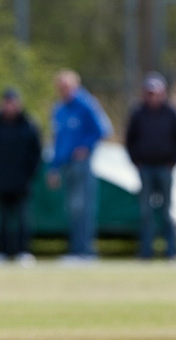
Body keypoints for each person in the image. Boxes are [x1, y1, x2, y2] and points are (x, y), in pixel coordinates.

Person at [47, 69, 112, 261]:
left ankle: (85, 251)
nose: (64, 90)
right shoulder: (59, 109)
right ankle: (75, 250)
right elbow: (57, 140)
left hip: (81, 164)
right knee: (72, 208)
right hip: (66, 166)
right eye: (61, 87)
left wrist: (85, 146)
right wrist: (53, 168)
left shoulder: (86, 104)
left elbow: (103, 129)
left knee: (83, 207)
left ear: (75, 86)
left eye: (67, 86)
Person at [125, 72, 176, 260]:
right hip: (146, 169)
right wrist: (137, 161)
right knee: (146, 212)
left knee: (166, 211)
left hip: (165, 168)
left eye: (156, 92)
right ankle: (146, 252)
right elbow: (130, 140)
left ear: (162, 93)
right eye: (149, 93)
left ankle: (171, 252)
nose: (153, 97)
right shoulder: (138, 113)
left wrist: (172, 162)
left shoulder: (172, 113)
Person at [0, 88, 42, 266]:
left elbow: (36, 152)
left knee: (24, 218)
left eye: (13, 102)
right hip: (1, 181)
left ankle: (24, 251)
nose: (10, 106)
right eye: (7, 102)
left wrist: (30, 174)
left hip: (22, 181)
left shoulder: (29, 124)